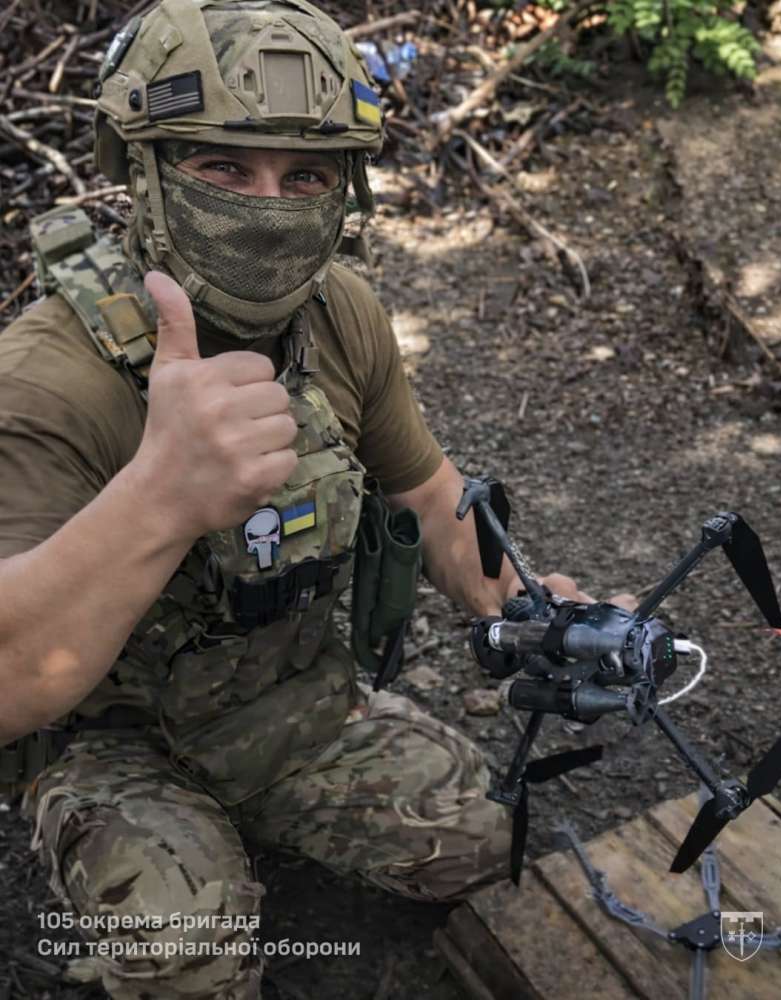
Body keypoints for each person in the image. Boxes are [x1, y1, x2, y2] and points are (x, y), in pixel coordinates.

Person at [0, 2, 627, 996]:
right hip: (117, 743)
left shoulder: (338, 314)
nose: (269, 206)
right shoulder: (48, 378)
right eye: (223, 168)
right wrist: (159, 495)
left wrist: (533, 612)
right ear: (143, 170)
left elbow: (429, 495)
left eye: (306, 176)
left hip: (291, 701)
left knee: (487, 835)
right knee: (187, 955)